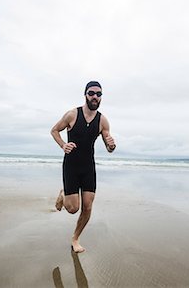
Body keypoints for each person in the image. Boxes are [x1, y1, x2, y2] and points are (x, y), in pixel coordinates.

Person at [50, 81, 116, 253]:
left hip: (88, 167)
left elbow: (109, 147)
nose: (95, 96)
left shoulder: (102, 120)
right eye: (92, 93)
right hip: (71, 166)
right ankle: (64, 193)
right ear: (85, 94)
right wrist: (63, 145)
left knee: (87, 206)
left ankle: (75, 238)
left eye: (99, 94)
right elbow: (54, 130)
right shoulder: (72, 114)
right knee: (73, 209)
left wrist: (111, 146)